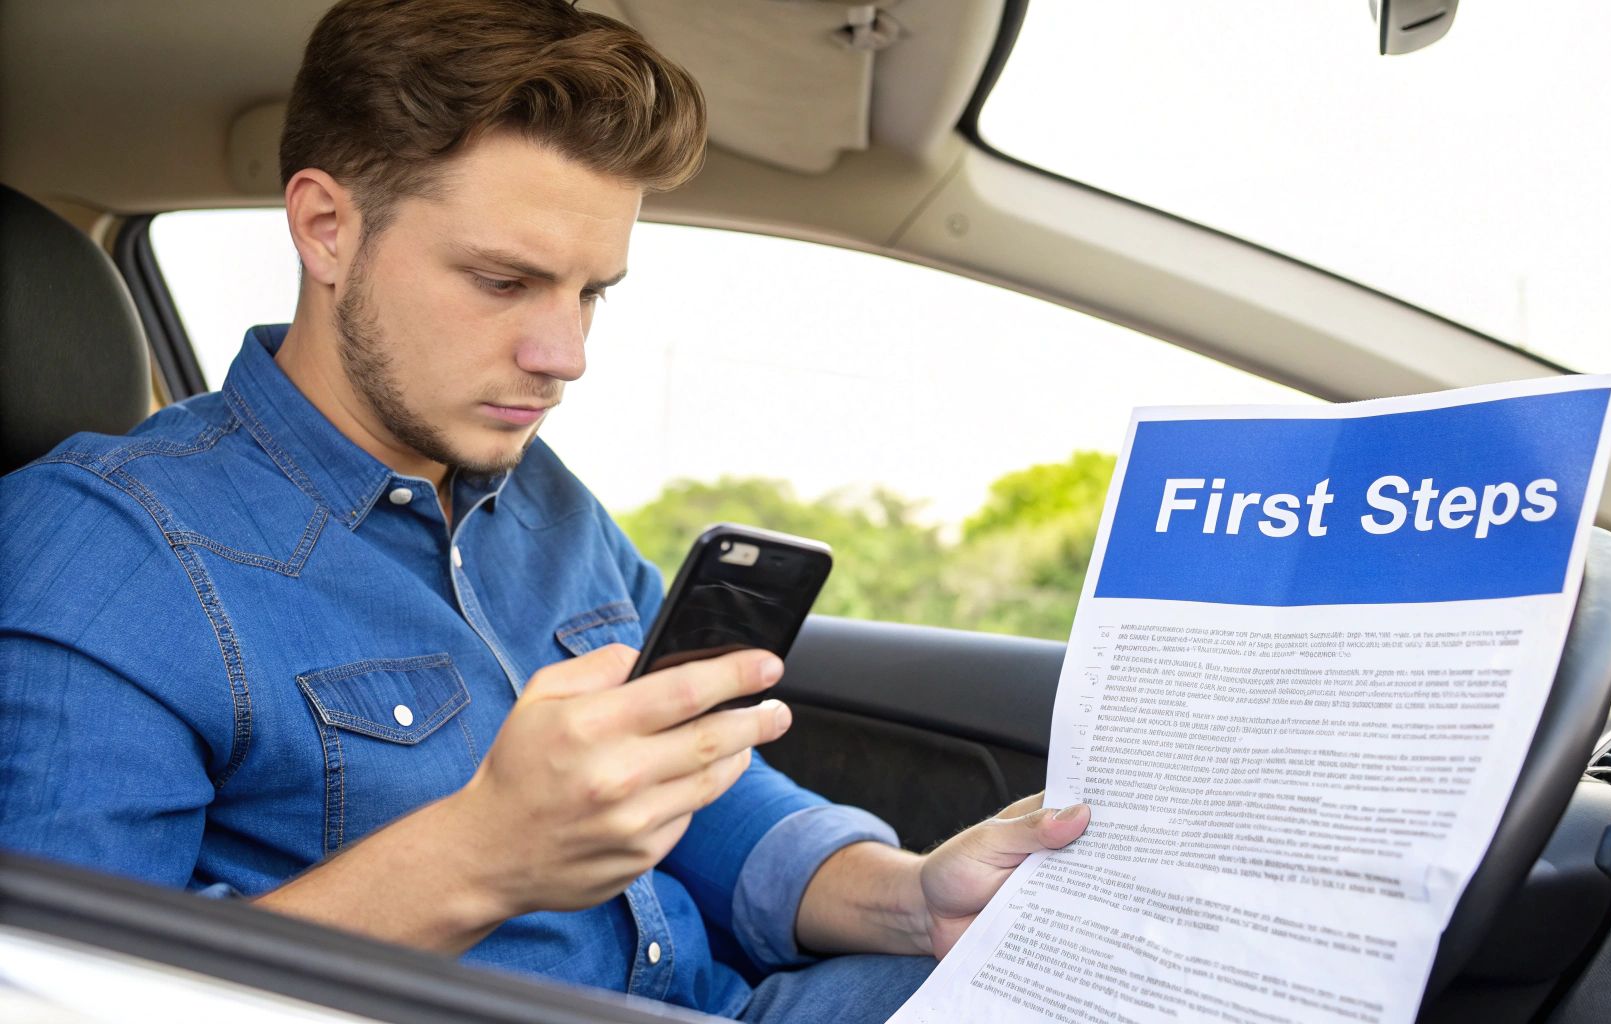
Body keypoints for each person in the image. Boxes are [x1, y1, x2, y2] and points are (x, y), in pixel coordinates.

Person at [0, 2, 1089, 1020]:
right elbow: (74, 991)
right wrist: (481, 854)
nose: (563, 355)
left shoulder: (546, 503)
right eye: (502, 281)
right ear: (326, 228)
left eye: (590, 292)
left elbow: (704, 795)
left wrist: (913, 896)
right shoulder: (104, 553)